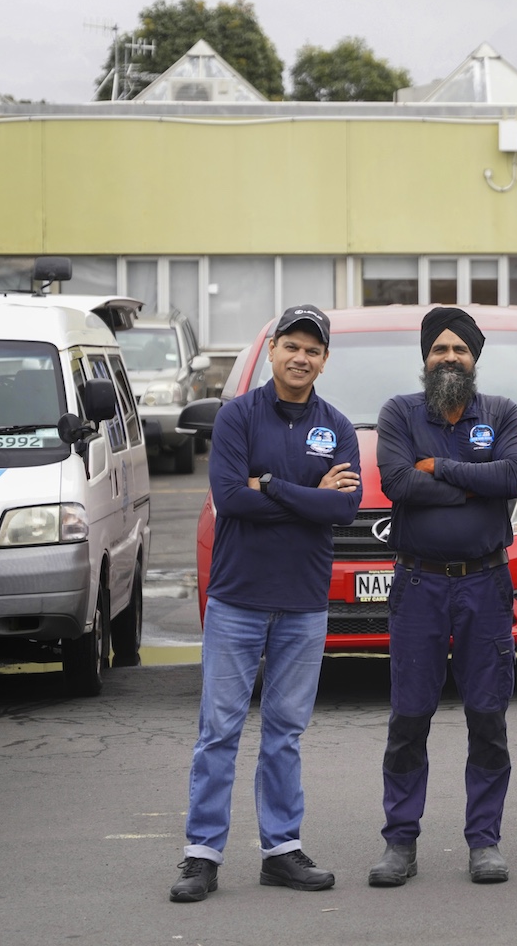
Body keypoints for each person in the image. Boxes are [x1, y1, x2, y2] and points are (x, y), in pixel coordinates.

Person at [170, 307, 362, 903]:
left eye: (313, 349)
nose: (301, 358)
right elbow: (230, 497)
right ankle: (201, 855)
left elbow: (343, 510)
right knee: (219, 731)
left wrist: (272, 484)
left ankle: (281, 850)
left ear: (324, 360)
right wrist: (307, 494)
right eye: (292, 346)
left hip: (304, 603)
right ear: (272, 349)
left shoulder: (338, 426)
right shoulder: (237, 416)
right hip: (238, 599)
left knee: (285, 732)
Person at [369, 306, 517, 887]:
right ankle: (399, 843)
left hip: (486, 584)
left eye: (459, 350)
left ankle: (484, 841)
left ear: (475, 357)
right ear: (425, 358)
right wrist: (472, 483)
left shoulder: (502, 413)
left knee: (488, 716)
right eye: (439, 350)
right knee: (410, 716)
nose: (449, 358)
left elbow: (514, 478)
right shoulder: (399, 413)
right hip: (419, 585)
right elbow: (396, 482)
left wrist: (441, 468)